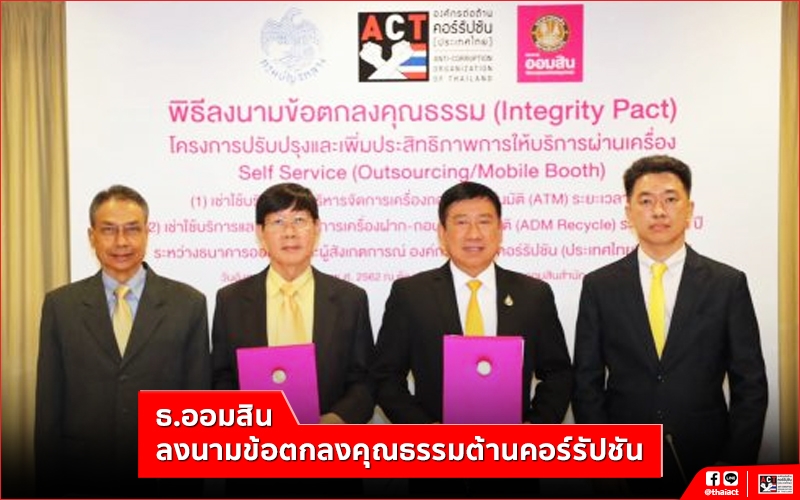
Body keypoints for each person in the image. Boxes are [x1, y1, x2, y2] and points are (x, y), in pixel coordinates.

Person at [572, 155, 768, 498]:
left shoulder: (727, 284)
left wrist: (733, 468)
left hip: (708, 460)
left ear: (689, 210)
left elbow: (750, 385)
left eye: (671, 199)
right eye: (646, 201)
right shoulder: (600, 286)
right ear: (629, 211)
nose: (659, 211)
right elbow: (586, 383)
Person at [371, 181, 574, 498]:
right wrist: (426, 434)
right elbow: (385, 375)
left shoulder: (533, 294)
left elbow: (558, 373)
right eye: (461, 222)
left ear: (500, 231)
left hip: (513, 468)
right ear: (442, 233)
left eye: (484, 221)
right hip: (436, 470)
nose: (474, 233)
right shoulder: (410, 294)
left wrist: (534, 431)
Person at [35, 185, 211, 498]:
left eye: (132, 229)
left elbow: (197, 404)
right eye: (108, 230)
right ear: (92, 237)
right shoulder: (61, 306)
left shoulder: (188, 304)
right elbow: (48, 407)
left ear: (147, 233)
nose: (121, 242)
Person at [212, 182, 375, 498]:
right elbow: (221, 378)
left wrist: (336, 421)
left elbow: (364, 380)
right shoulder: (231, 300)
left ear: (317, 228)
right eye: (277, 221)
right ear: (260, 234)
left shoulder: (349, 299)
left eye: (299, 220)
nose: (289, 232)